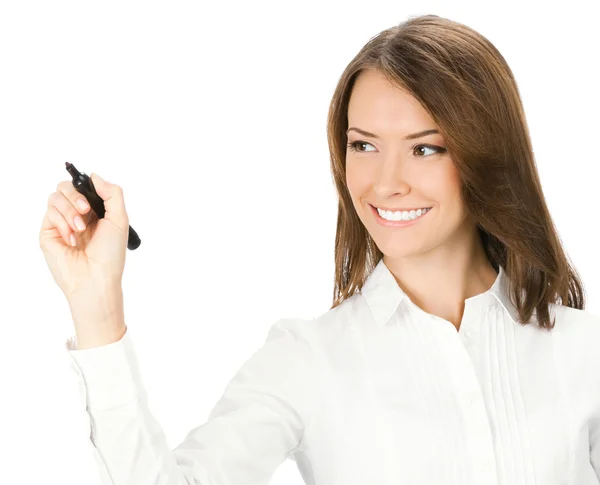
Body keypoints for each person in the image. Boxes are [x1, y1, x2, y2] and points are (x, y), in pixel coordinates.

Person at [39, 13, 600, 485]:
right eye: (364, 145)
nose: (386, 182)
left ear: (485, 155)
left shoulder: (583, 354)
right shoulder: (309, 359)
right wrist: (97, 307)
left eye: (425, 150)